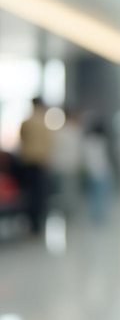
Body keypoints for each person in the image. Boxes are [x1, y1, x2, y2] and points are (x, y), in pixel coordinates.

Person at [18, 97, 53, 234]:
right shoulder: (44, 123)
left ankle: (32, 223)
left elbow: (22, 138)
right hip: (41, 161)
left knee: (30, 194)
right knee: (39, 194)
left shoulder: (27, 122)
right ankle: (38, 224)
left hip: (27, 160)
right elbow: (49, 143)